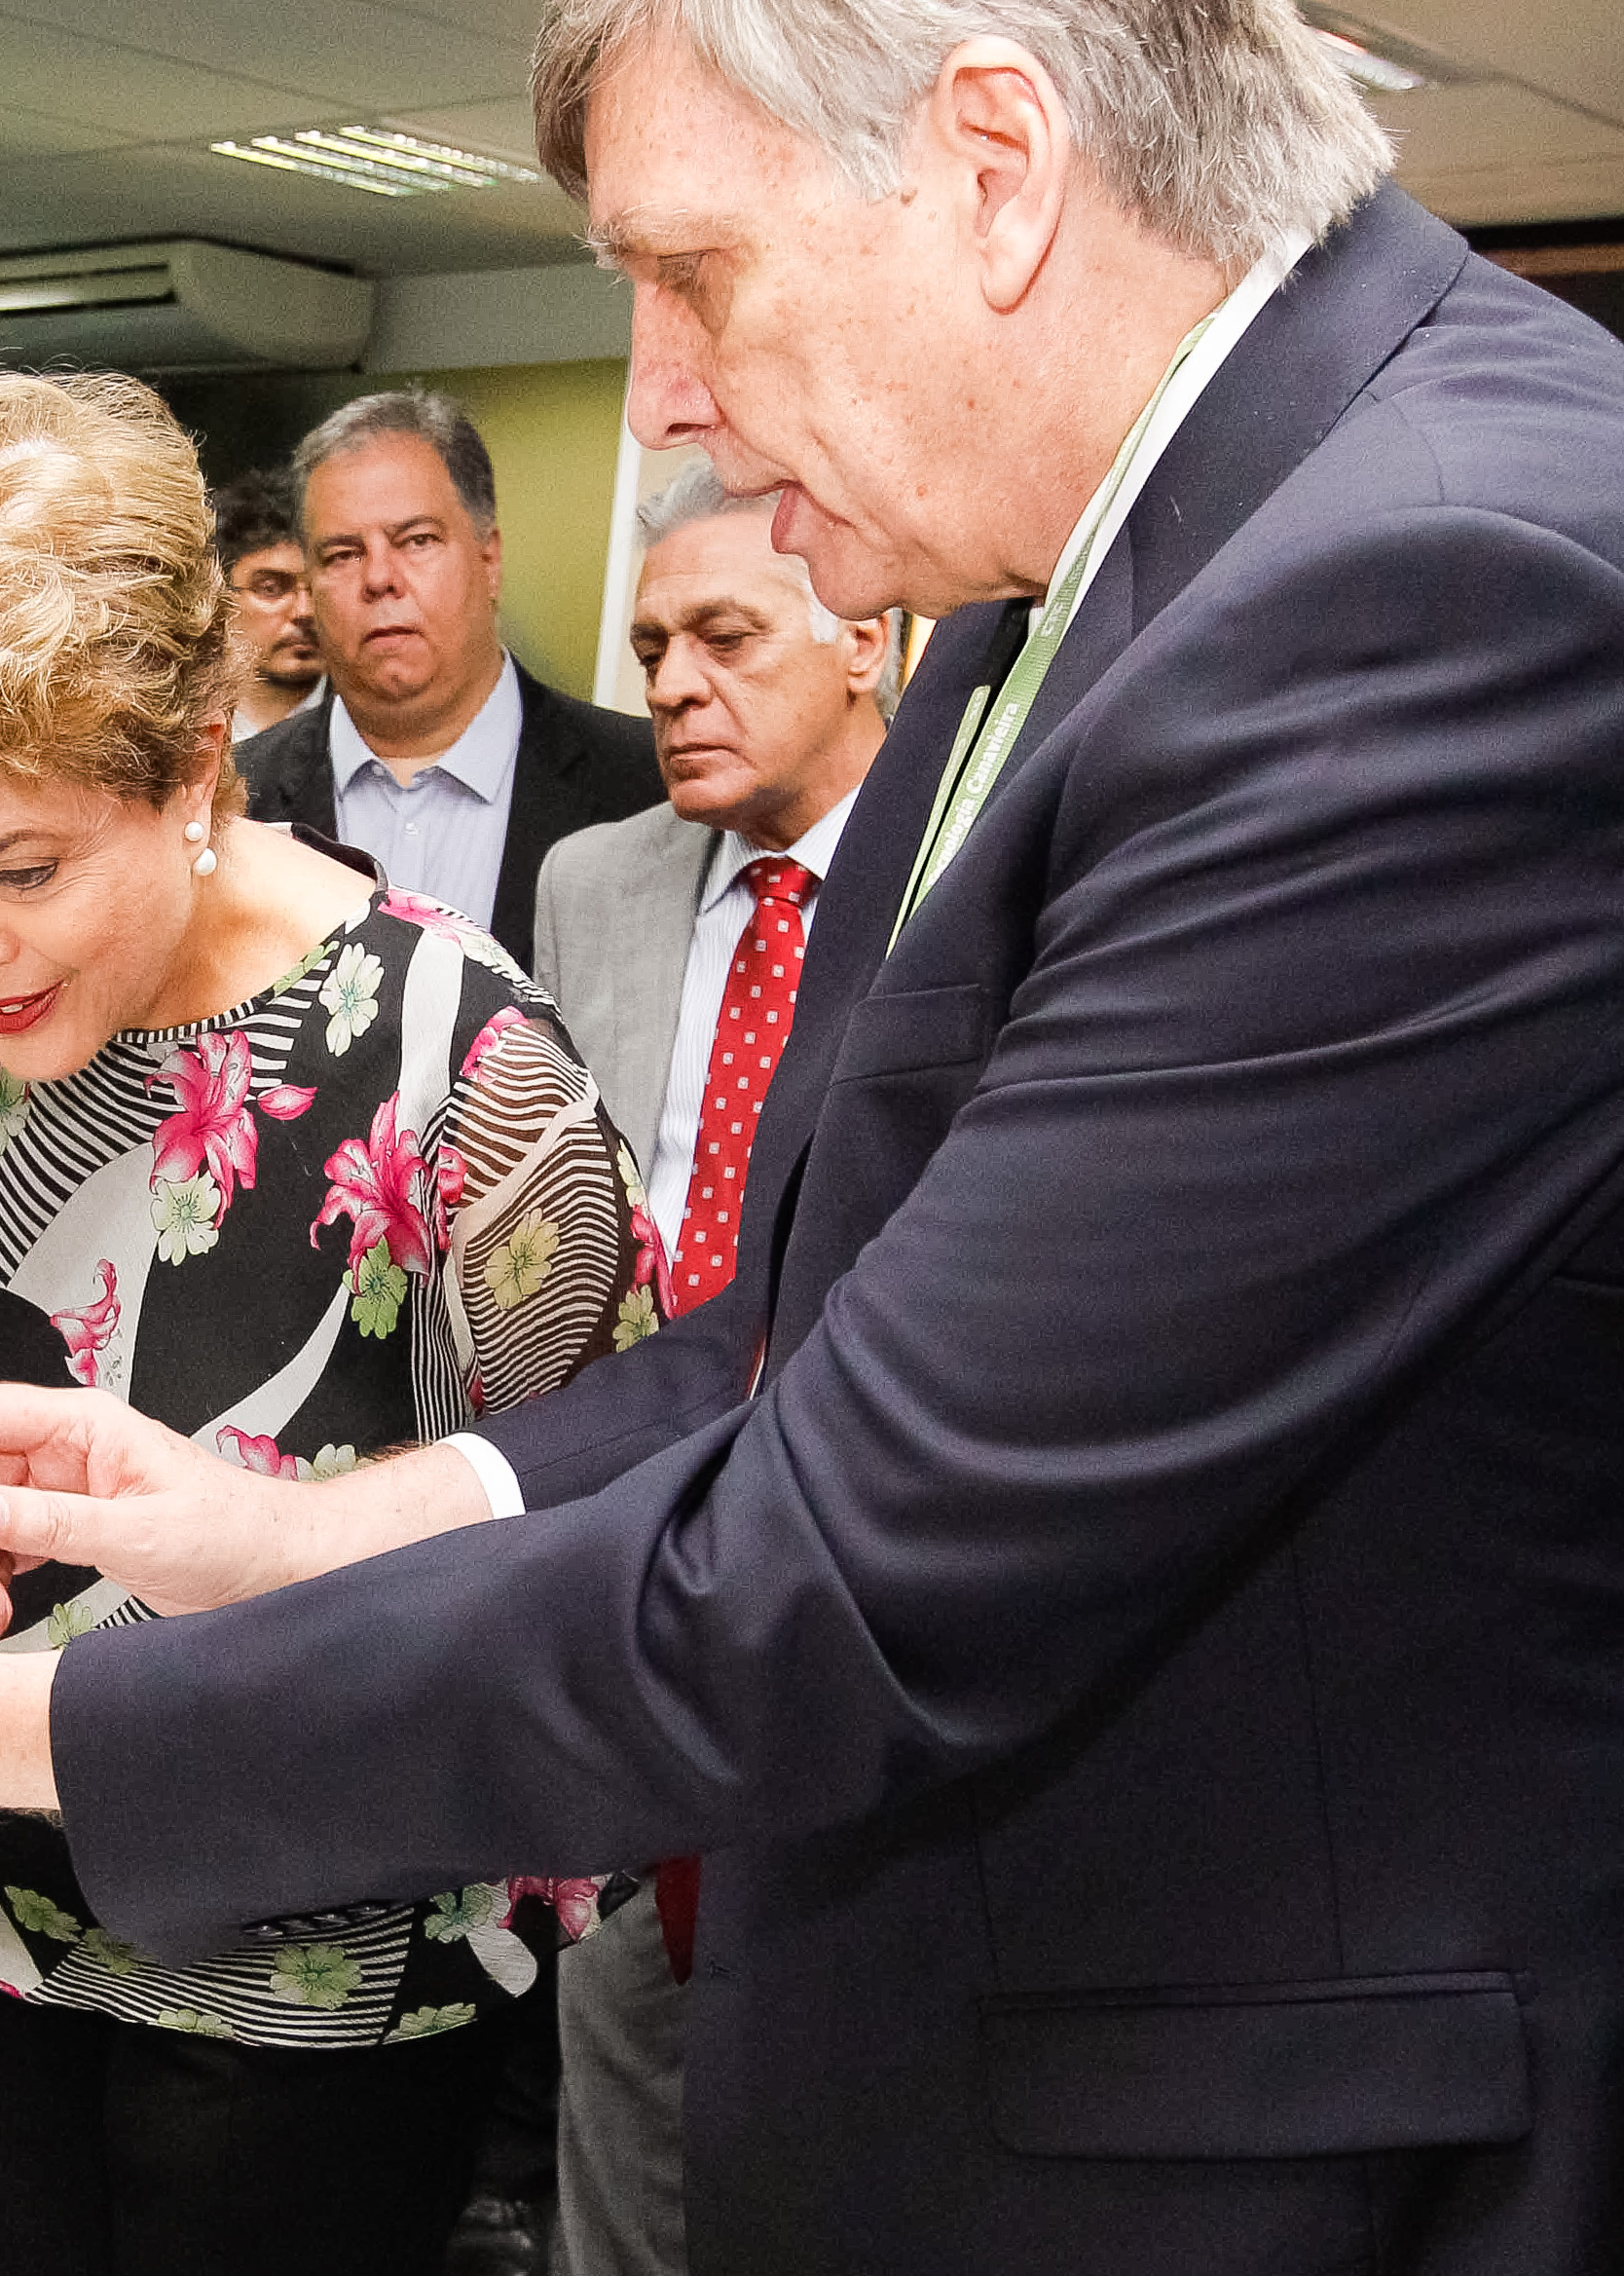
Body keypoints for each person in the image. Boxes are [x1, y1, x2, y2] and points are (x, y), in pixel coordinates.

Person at [0, 1, 1624, 2269]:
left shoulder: (1446, 597)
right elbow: (801, 1335)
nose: (657, 389)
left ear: (989, 154)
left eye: (687, 271)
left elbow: (827, 1575)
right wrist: (299, 1530)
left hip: (1288, 2127)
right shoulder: (1026, 601)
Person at [0, 368, 655, 2276]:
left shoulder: (461, 1061)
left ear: (196, 762)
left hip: (321, 1958)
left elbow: (594, 1538)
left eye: (24, 868)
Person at [530, 467, 890, 2276]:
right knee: (623, 2051)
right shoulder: (594, 879)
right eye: (653, 644)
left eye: (726, 638)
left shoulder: (962, 896)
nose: (672, 681)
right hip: (617, 1548)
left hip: (854, 1568)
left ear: (866, 641)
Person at [237, 388, 657, 963]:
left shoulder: (644, 787)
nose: (380, 578)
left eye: (417, 541)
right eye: (342, 554)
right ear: (309, 586)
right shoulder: (231, 802)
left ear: (489, 561)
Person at [211, 469, 321, 737]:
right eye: (271, 589)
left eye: (319, 589)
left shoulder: (372, 723)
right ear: (220, 597)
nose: (304, 611)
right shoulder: (182, 726)